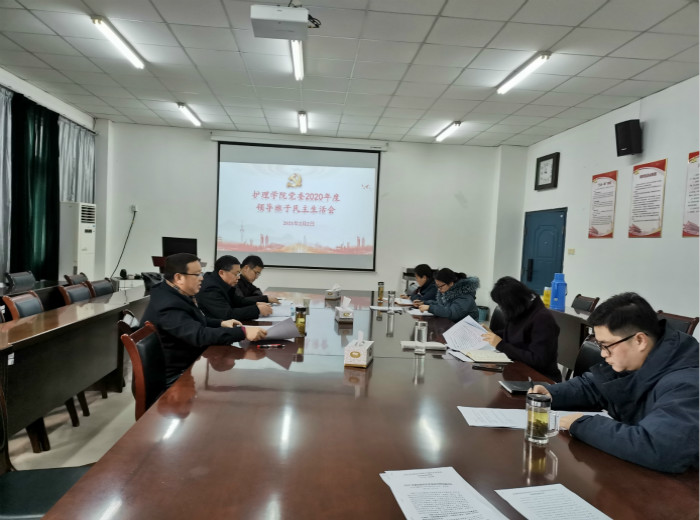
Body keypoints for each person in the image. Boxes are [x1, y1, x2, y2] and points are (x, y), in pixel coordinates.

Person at [529, 292, 699, 473]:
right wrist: (552, 393)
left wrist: (583, 425)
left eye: (606, 345)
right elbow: (596, 386)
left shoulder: (687, 384)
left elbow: (660, 448)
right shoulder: (642, 357)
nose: (603, 354)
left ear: (640, 340)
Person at [142, 253, 266, 386]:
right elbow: (199, 335)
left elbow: (195, 321)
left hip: (185, 361)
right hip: (174, 376)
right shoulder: (168, 305)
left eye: (201, 273)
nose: (201, 278)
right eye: (197, 275)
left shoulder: (172, 292)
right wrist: (243, 332)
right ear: (178, 277)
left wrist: (221, 323)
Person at [481, 276, 561, 382]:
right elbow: (517, 334)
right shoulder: (523, 309)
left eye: (502, 305)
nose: (502, 308)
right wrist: (493, 334)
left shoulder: (543, 319)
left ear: (512, 303)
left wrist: (501, 345)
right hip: (519, 371)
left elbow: (538, 360)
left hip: (540, 379)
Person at [198, 255, 272, 321]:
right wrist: (257, 310)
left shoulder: (221, 282)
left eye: (238, 274)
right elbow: (227, 315)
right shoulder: (210, 289)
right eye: (235, 274)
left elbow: (238, 301)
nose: (238, 277)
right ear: (222, 273)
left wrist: (256, 303)